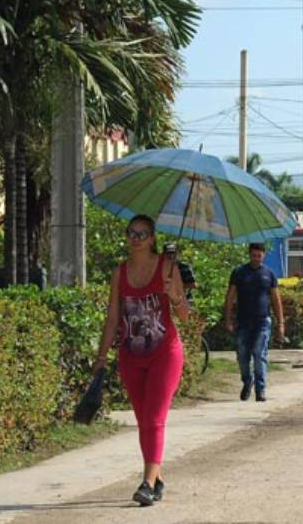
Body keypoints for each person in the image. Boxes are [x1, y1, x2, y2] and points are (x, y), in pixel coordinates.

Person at [93, 215, 192, 506]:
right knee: (143, 420)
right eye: (131, 233)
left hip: (165, 352)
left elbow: (185, 316)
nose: (135, 238)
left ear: (152, 238)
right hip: (131, 354)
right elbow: (113, 317)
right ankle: (157, 476)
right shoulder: (119, 273)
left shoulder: (167, 267)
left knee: (153, 418)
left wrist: (175, 296)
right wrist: (102, 355)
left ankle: (147, 483)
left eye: (142, 234)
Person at [225, 242, 286, 403]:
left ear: (263, 255)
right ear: (249, 255)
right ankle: (247, 381)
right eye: (253, 255)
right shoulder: (239, 273)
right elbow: (230, 297)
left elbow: (276, 299)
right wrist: (228, 318)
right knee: (243, 355)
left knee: (259, 353)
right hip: (243, 321)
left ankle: (261, 389)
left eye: (259, 256)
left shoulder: (269, 274)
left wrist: (281, 323)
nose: (256, 259)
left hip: (262, 321)